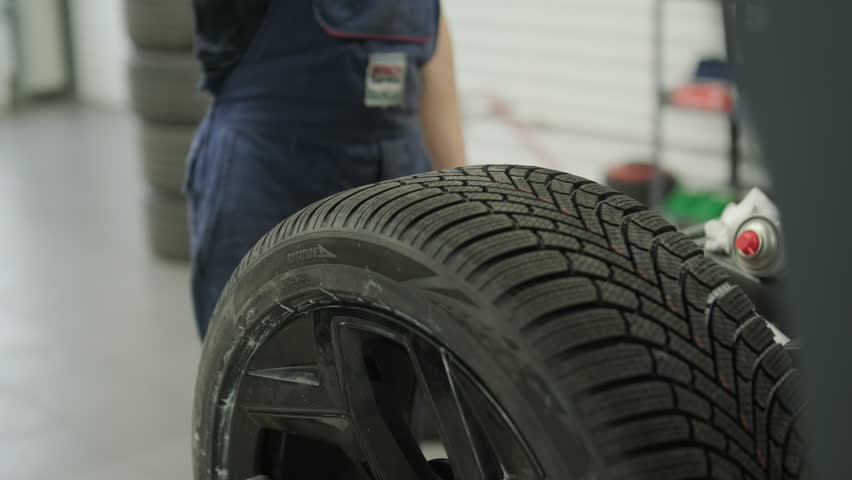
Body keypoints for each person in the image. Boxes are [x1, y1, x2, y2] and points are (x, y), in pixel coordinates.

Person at [185, 0, 466, 336]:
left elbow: (432, 50)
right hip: (269, 173)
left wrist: (457, 194)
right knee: (266, 357)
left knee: (403, 361)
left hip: (398, 174)